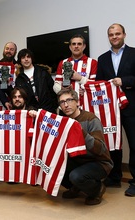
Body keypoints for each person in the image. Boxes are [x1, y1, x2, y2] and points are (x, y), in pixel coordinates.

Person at [96, 23, 135, 196]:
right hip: (110, 110)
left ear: (124, 35)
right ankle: (114, 177)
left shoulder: (134, 53)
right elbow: (99, 83)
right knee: (113, 144)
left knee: (134, 144)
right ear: (108, 37)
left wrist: (124, 81)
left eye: (117, 34)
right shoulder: (102, 58)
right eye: (111, 34)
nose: (114, 37)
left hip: (131, 106)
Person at [58, 88, 113, 205]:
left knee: (76, 176)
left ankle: (97, 190)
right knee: (54, 167)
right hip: (78, 160)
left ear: (77, 102)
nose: (66, 105)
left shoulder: (91, 119)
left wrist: (80, 132)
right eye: (62, 102)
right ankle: (77, 187)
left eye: (69, 100)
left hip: (99, 162)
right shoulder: (64, 121)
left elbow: (100, 149)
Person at [15, 48, 57, 113]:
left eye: (28, 57)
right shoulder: (19, 78)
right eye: (23, 57)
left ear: (32, 59)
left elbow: (52, 90)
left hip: (49, 110)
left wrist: (54, 106)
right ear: (20, 61)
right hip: (31, 112)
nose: (26, 59)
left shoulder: (43, 72)